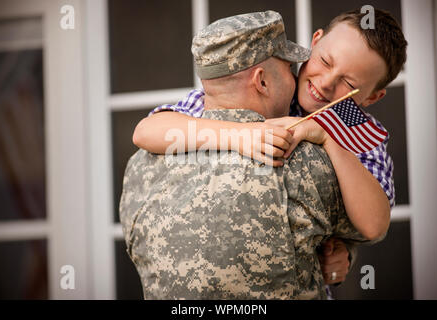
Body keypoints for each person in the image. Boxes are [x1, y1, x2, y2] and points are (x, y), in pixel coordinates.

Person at [132, 8, 407, 284]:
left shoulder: (358, 132)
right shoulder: (268, 84)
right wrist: (240, 135)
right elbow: (146, 131)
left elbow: (373, 225)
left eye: (348, 83)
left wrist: (326, 137)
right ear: (316, 40)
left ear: (372, 97)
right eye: (324, 61)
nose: (325, 84)